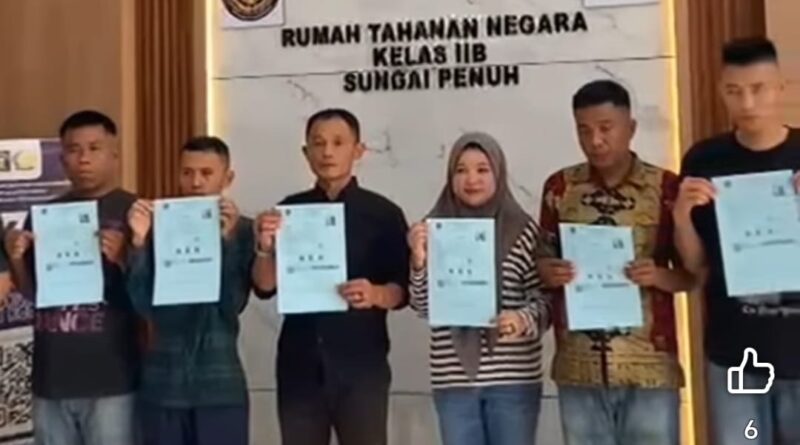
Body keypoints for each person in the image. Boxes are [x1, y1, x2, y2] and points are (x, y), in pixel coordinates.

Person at [536, 80, 694, 445]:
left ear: (631, 128)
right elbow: (541, 260)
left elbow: (693, 276)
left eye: (606, 128)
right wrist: (549, 271)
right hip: (579, 366)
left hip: (650, 366)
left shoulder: (666, 189)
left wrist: (658, 276)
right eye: (584, 130)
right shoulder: (560, 188)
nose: (595, 141)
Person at [251, 108, 410, 445]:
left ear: (358, 150)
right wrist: (265, 248)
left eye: (338, 143)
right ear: (305, 152)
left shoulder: (383, 213)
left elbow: (403, 290)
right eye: (318, 143)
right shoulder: (288, 212)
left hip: (362, 365)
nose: (327, 152)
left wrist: (376, 294)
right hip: (299, 365)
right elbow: (264, 287)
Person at [675, 37, 800, 445]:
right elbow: (695, 267)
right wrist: (681, 215)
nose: (747, 103)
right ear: (720, 92)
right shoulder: (704, 160)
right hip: (735, 357)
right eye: (734, 91)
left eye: (758, 89)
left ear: (780, 87)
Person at [4, 110, 139, 445]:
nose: (84, 159)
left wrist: (124, 258)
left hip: (113, 379)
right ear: (62, 158)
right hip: (51, 377)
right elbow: (32, 293)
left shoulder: (137, 213)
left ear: (114, 155)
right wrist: (16, 258)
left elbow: (154, 296)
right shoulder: (43, 215)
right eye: (74, 150)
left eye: (94, 148)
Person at [407, 132, 548, 445]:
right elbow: (422, 307)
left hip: (513, 381)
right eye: (461, 170)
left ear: (498, 173)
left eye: (482, 169)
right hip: (453, 382)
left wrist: (521, 319)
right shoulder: (432, 229)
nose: (471, 179)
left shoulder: (523, 231)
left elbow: (546, 302)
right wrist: (418, 261)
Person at [125, 136, 254, 445]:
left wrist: (226, 242)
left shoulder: (243, 230)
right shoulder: (156, 226)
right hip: (162, 382)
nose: (196, 182)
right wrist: (139, 242)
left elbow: (233, 304)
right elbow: (142, 304)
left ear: (227, 178)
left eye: (206, 173)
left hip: (220, 384)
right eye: (187, 172)